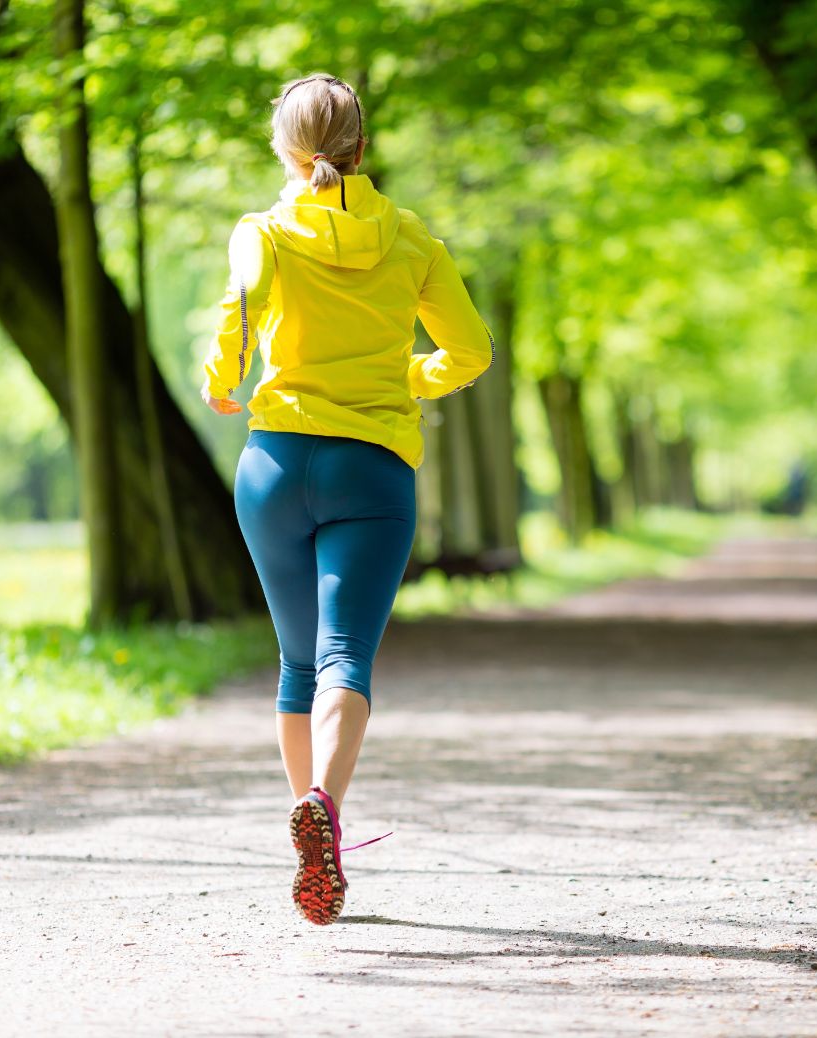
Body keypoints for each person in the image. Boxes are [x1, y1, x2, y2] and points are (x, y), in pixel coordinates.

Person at [199, 72, 493, 926]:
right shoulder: (410, 238)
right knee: (344, 660)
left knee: (296, 663)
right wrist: (405, 377)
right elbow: (469, 352)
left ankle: (313, 821)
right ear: (364, 148)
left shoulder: (263, 232)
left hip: (277, 466)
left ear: (285, 151)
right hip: (373, 468)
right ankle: (323, 807)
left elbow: (234, 323)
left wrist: (224, 386)